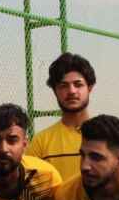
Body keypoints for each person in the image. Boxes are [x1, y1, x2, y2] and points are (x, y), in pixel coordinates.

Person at [28, 52, 95, 181]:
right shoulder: (41, 142)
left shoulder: (108, 135)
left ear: (90, 88)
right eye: (63, 86)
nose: (71, 91)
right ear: (55, 91)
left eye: (78, 84)